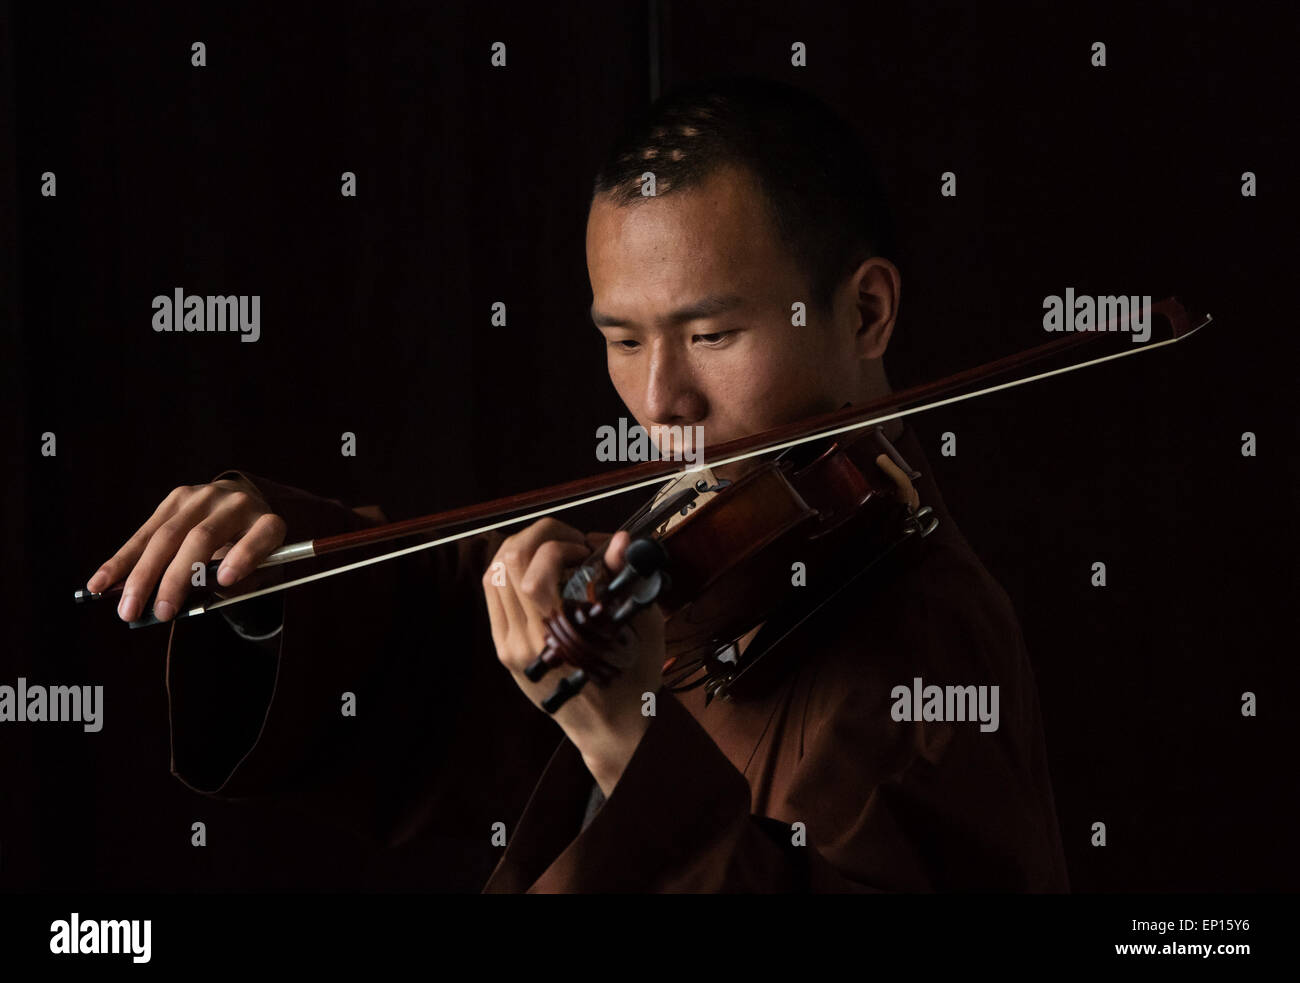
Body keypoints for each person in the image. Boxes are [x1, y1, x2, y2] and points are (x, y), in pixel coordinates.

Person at [86, 77, 1070, 892]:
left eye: (711, 334)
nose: (658, 398)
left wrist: (632, 743)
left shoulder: (935, 643)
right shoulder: (708, 555)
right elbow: (438, 660)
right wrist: (280, 573)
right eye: (622, 339)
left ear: (862, 313)